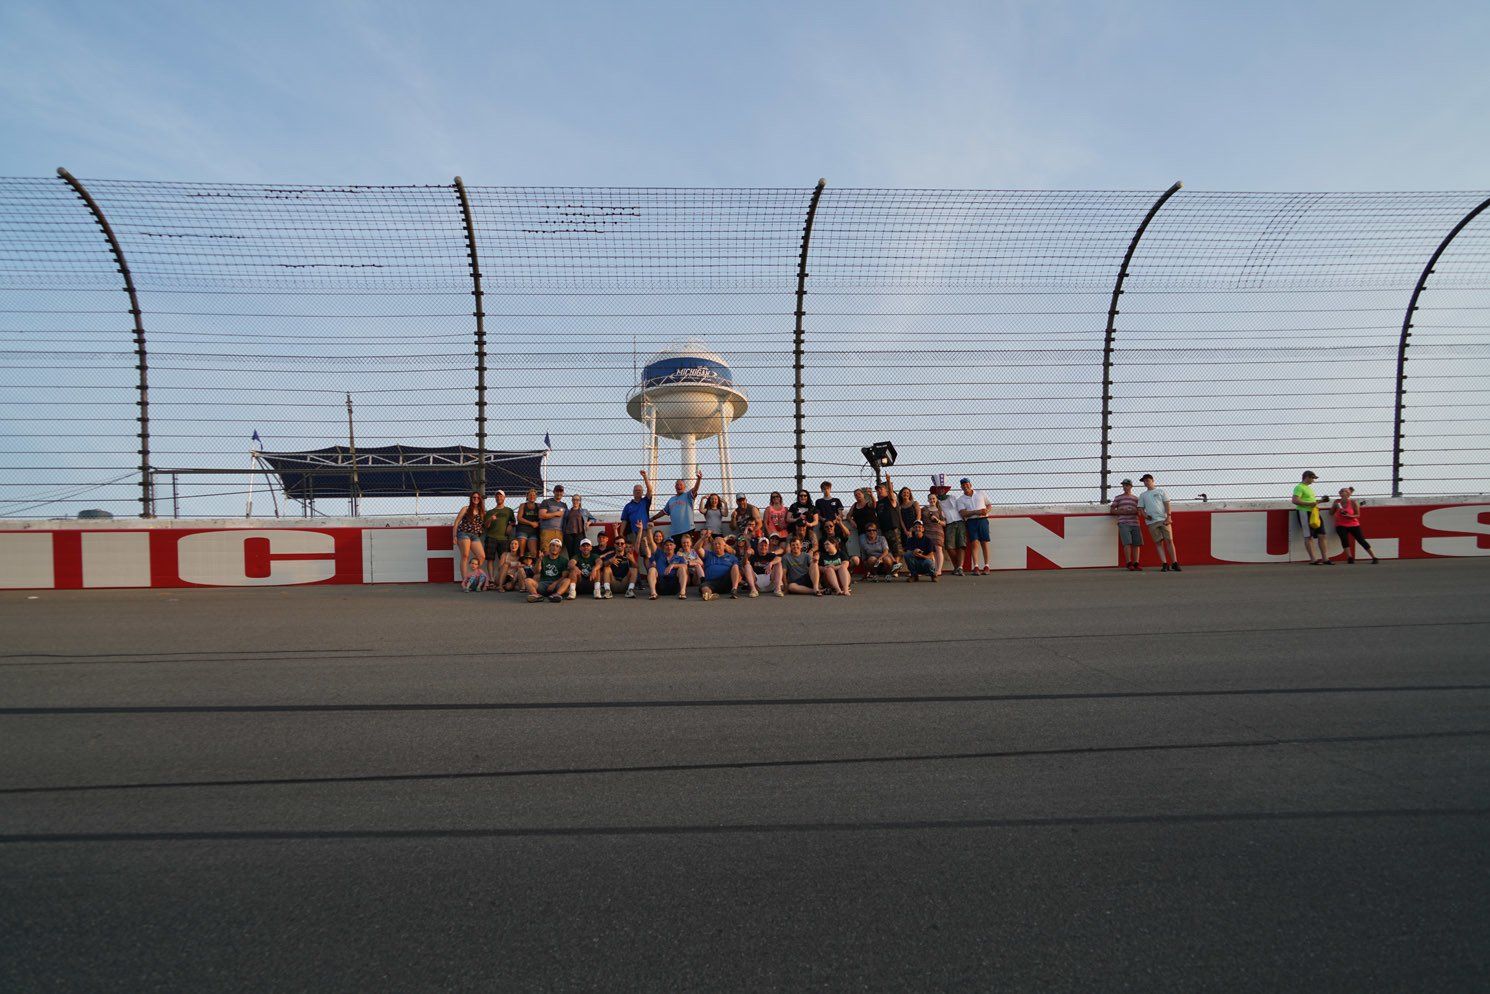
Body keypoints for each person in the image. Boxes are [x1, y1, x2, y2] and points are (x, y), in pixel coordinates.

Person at [1138, 473, 1180, 572]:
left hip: (1164, 520)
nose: (1146, 483)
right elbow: (1140, 508)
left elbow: (1167, 504)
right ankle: (1164, 563)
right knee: (1158, 542)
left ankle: (1175, 562)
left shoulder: (1161, 491)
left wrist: (1169, 517)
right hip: (1151, 522)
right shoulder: (1143, 495)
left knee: (1169, 540)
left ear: (1152, 481)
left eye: (1147, 480)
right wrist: (1145, 516)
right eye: (1144, 481)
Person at [1291, 470, 1332, 566]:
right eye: (1313, 478)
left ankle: (1325, 558)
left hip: (1314, 512)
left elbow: (1311, 501)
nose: (1313, 480)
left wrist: (1321, 501)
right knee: (1308, 536)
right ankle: (1313, 559)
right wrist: (1310, 504)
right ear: (1307, 477)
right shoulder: (1299, 487)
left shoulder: (1308, 488)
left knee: (1322, 534)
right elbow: (1295, 500)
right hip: (1304, 512)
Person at [1332, 487, 1379, 565]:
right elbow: (1331, 512)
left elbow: (1357, 515)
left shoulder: (1353, 502)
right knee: (1344, 540)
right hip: (1340, 524)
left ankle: (1374, 557)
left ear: (1348, 494)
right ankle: (1349, 557)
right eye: (1341, 491)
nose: (1342, 492)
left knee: (1361, 540)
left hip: (1353, 524)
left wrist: (1349, 516)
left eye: (1344, 491)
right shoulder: (1337, 502)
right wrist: (1335, 506)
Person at [659, 469, 703, 545]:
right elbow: (664, 512)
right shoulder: (671, 500)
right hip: (675, 532)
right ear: (675, 487)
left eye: (681, 485)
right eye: (677, 485)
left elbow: (695, 489)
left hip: (687, 529)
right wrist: (652, 518)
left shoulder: (688, 495)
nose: (679, 486)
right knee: (677, 553)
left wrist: (698, 479)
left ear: (684, 487)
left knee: (687, 552)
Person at [958, 478, 992, 575]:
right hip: (971, 521)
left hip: (983, 520)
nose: (965, 486)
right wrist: (976, 512)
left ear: (970, 484)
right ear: (961, 487)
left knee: (984, 542)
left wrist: (986, 511)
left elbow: (989, 505)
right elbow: (963, 513)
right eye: (963, 485)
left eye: (967, 484)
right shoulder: (960, 499)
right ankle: (976, 566)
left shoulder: (981, 493)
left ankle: (986, 566)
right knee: (974, 543)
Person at [525, 538, 575, 603]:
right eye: (553, 545)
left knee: (567, 580)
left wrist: (554, 584)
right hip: (543, 583)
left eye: (557, 546)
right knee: (527, 580)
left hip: (556, 585)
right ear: (549, 547)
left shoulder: (564, 560)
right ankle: (536, 595)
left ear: (560, 549)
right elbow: (536, 572)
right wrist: (539, 560)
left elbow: (564, 576)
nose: (554, 548)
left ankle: (557, 595)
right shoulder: (543, 559)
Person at [1110, 479, 1144, 571]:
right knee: (1127, 543)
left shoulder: (1136, 499)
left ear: (1131, 486)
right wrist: (1122, 512)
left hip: (1135, 523)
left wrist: (1134, 511)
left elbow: (1140, 512)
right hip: (1123, 523)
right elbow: (1112, 510)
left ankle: (1136, 563)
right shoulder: (1118, 497)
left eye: (1127, 485)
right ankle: (1129, 563)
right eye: (1124, 485)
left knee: (1136, 543)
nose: (1125, 487)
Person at [452, 492, 486, 585]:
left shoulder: (481, 511)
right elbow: (457, 522)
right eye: (474, 497)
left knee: (481, 556)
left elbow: (485, 524)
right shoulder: (465, 508)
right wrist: (454, 536)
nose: (476, 499)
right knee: (465, 555)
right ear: (471, 498)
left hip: (475, 535)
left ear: (480, 500)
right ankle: (465, 581)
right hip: (464, 533)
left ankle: (472, 576)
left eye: (478, 498)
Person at [699, 535, 746, 600]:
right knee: (704, 587)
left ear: (724, 546)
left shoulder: (732, 557)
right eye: (715, 544)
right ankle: (708, 595)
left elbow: (739, 572)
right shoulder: (708, 554)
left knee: (735, 566)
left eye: (719, 544)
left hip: (726, 582)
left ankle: (734, 590)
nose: (717, 545)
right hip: (711, 582)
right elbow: (697, 548)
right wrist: (703, 538)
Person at [620, 471, 654, 556]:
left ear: (642, 492)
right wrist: (621, 534)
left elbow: (650, 490)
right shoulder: (628, 506)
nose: (638, 492)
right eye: (636, 490)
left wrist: (645, 477)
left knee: (646, 554)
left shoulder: (645, 501)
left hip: (644, 531)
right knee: (633, 554)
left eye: (640, 490)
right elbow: (624, 521)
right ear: (633, 492)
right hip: (632, 533)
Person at [481, 490, 515, 573]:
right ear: (495, 498)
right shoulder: (489, 512)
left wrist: (510, 525)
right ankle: (492, 579)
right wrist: (490, 519)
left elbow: (513, 521)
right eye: (497, 496)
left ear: (504, 497)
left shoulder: (509, 510)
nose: (499, 497)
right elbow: (485, 526)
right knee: (490, 559)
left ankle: (502, 579)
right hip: (491, 538)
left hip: (504, 538)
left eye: (501, 496)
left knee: (504, 560)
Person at [874, 479, 905, 560]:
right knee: (888, 550)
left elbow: (891, 493)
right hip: (883, 530)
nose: (879, 491)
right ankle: (893, 568)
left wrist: (888, 480)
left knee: (897, 550)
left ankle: (896, 571)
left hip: (893, 529)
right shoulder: (878, 503)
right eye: (877, 490)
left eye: (881, 489)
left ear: (886, 490)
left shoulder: (890, 499)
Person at [940, 485, 967, 576]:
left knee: (961, 544)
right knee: (949, 546)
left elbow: (958, 508)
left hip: (959, 521)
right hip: (948, 523)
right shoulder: (937, 501)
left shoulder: (952, 497)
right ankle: (957, 567)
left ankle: (959, 567)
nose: (941, 490)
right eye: (939, 488)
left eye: (942, 488)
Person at [816, 481, 850, 551]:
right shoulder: (819, 501)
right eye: (824, 489)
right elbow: (818, 515)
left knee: (840, 542)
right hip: (825, 527)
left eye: (827, 488)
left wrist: (835, 521)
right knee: (827, 543)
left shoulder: (836, 500)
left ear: (830, 489)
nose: (826, 490)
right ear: (821, 490)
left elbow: (840, 514)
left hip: (836, 526)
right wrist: (824, 520)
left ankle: (842, 555)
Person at [596, 533, 631, 598]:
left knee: (633, 568)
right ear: (614, 545)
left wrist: (632, 560)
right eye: (617, 543)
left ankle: (630, 590)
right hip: (613, 582)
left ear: (625, 545)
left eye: (622, 543)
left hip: (625, 583)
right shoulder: (610, 555)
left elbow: (637, 568)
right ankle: (607, 591)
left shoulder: (629, 555)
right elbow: (603, 564)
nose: (620, 545)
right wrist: (610, 561)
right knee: (606, 568)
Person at [537, 485, 568, 556]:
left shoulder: (564, 505)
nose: (559, 493)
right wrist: (556, 513)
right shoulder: (546, 502)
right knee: (546, 552)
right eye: (557, 491)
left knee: (556, 553)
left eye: (561, 491)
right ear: (554, 492)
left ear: (563, 493)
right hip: (547, 530)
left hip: (559, 531)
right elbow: (541, 515)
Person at [923, 491, 947, 575]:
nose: (932, 500)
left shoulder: (940, 510)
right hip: (927, 531)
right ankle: (932, 569)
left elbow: (944, 523)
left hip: (938, 531)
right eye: (930, 499)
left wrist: (938, 521)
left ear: (936, 500)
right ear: (928, 500)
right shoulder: (924, 509)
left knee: (938, 549)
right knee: (929, 550)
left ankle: (938, 570)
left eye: (933, 498)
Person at [515, 489, 542, 558]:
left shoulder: (539, 505)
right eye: (530, 495)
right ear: (527, 496)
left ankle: (532, 568)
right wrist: (531, 523)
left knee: (534, 553)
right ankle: (521, 568)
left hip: (533, 532)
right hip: (523, 530)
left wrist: (538, 523)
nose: (532, 496)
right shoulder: (523, 505)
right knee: (521, 553)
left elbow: (542, 517)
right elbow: (519, 518)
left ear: (536, 497)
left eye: (534, 495)